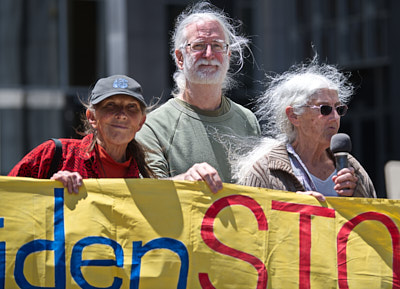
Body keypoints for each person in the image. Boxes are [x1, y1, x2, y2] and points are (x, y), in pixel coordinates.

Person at [136, 1, 261, 188]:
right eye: (198, 45)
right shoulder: (153, 127)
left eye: (217, 46)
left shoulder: (248, 121)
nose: (209, 54)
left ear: (228, 55)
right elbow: (149, 195)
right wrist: (184, 180)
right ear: (179, 58)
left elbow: (262, 190)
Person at [234, 59, 376, 199]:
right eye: (325, 109)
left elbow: (376, 219)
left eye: (339, 109)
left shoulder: (351, 167)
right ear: (294, 115)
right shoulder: (265, 171)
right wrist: (295, 209)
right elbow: (250, 219)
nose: (335, 117)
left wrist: (357, 191)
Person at [8, 75, 155, 194]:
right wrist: (48, 190)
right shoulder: (54, 155)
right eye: (111, 105)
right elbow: (7, 197)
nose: (122, 115)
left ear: (141, 122)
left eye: (131, 107)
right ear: (92, 117)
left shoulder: (147, 181)